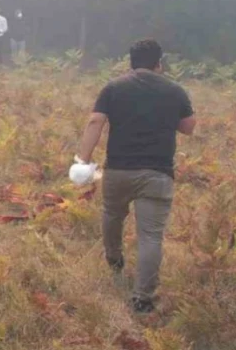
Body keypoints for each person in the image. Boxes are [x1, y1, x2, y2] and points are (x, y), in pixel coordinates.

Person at [74, 39, 195, 314]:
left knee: (112, 215)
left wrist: (84, 159)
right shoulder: (174, 90)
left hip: (117, 170)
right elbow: (188, 127)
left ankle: (114, 258)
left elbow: (95, 122)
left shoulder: (114, 87)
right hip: (157, 173)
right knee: (150, 236)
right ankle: (143, 298)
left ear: (130, 62)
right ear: (159, 63)